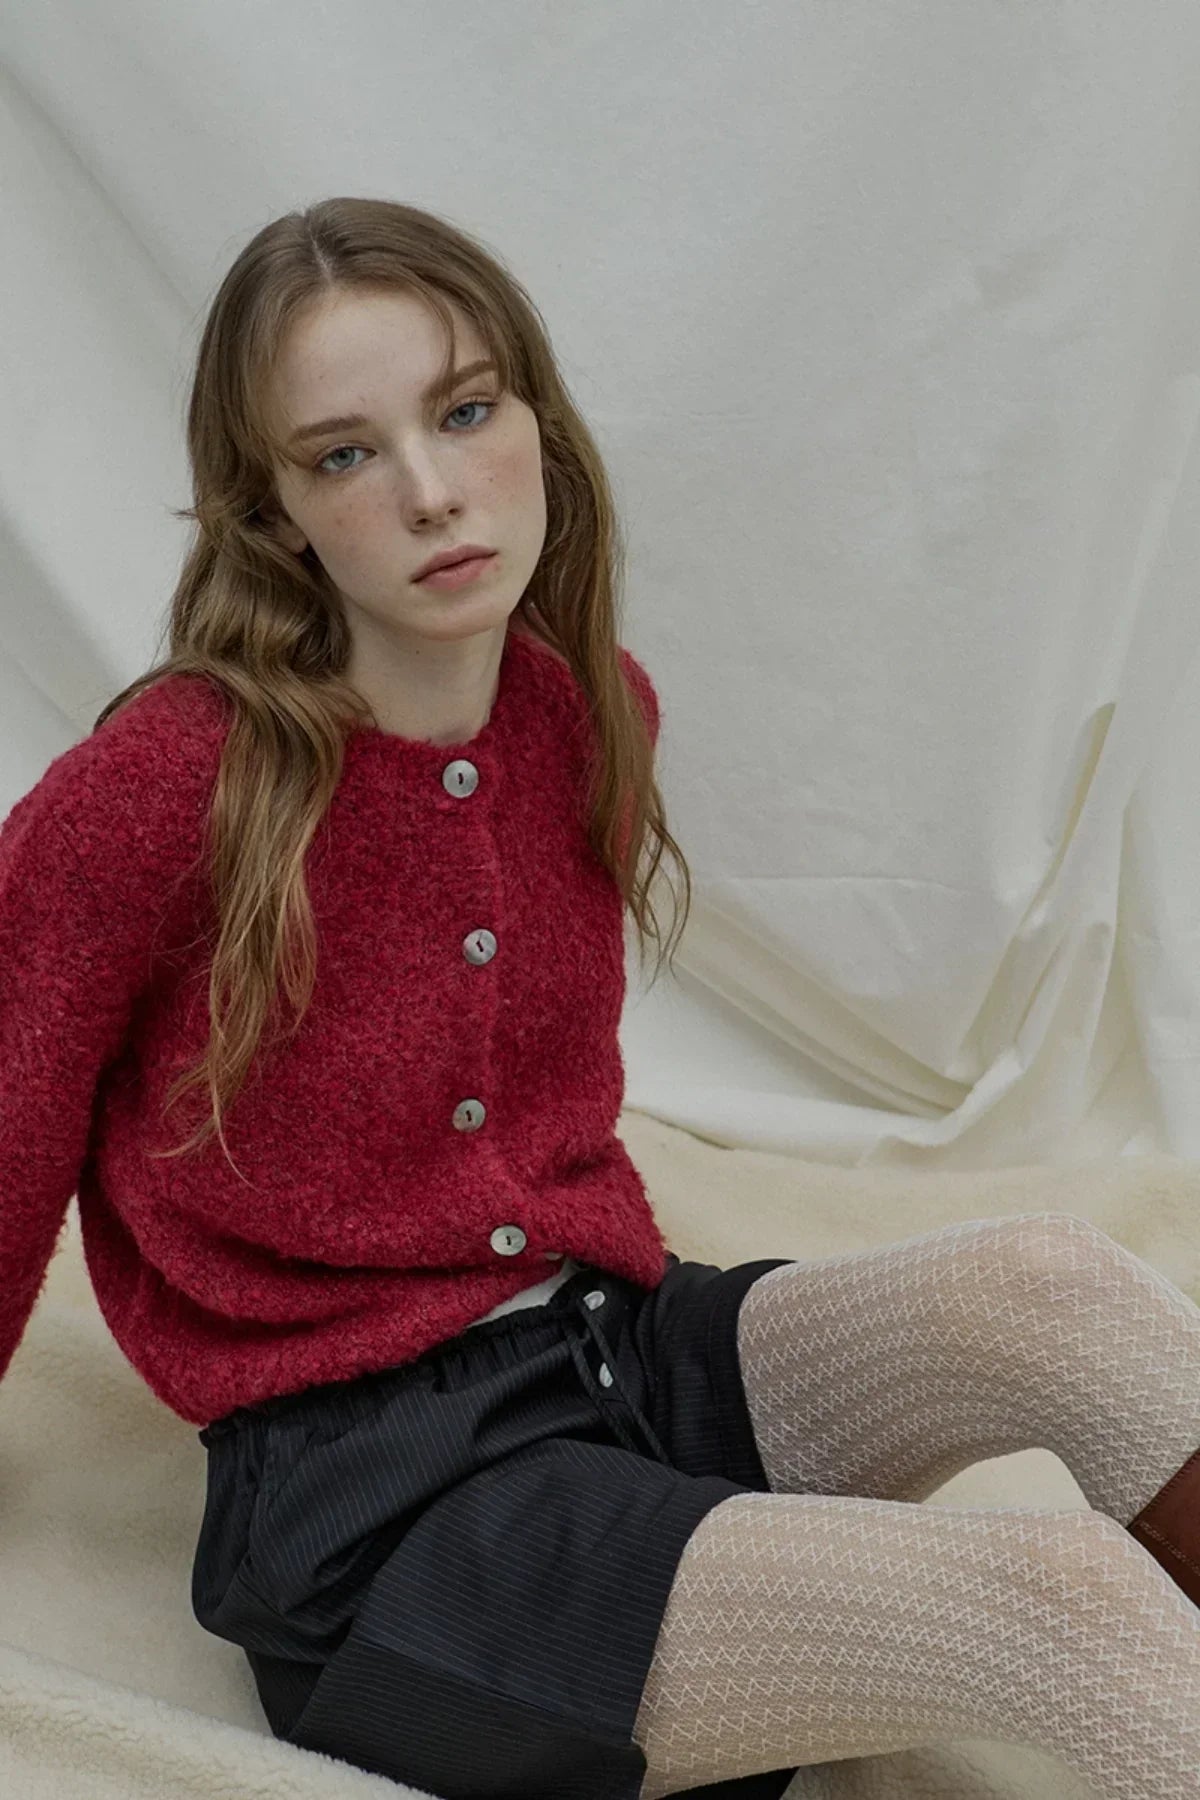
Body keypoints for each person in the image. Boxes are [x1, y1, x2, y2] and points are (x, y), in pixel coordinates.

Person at [1, 196, 1197, 1800]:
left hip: (612, 1353)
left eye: (465, 410)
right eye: (344, 454)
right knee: (1059, 1604)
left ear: (537, 427)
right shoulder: (168, 787)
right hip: (382, 1517)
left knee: (1063, 1284)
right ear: (276, 513)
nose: (431, 491)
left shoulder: (585, 715)